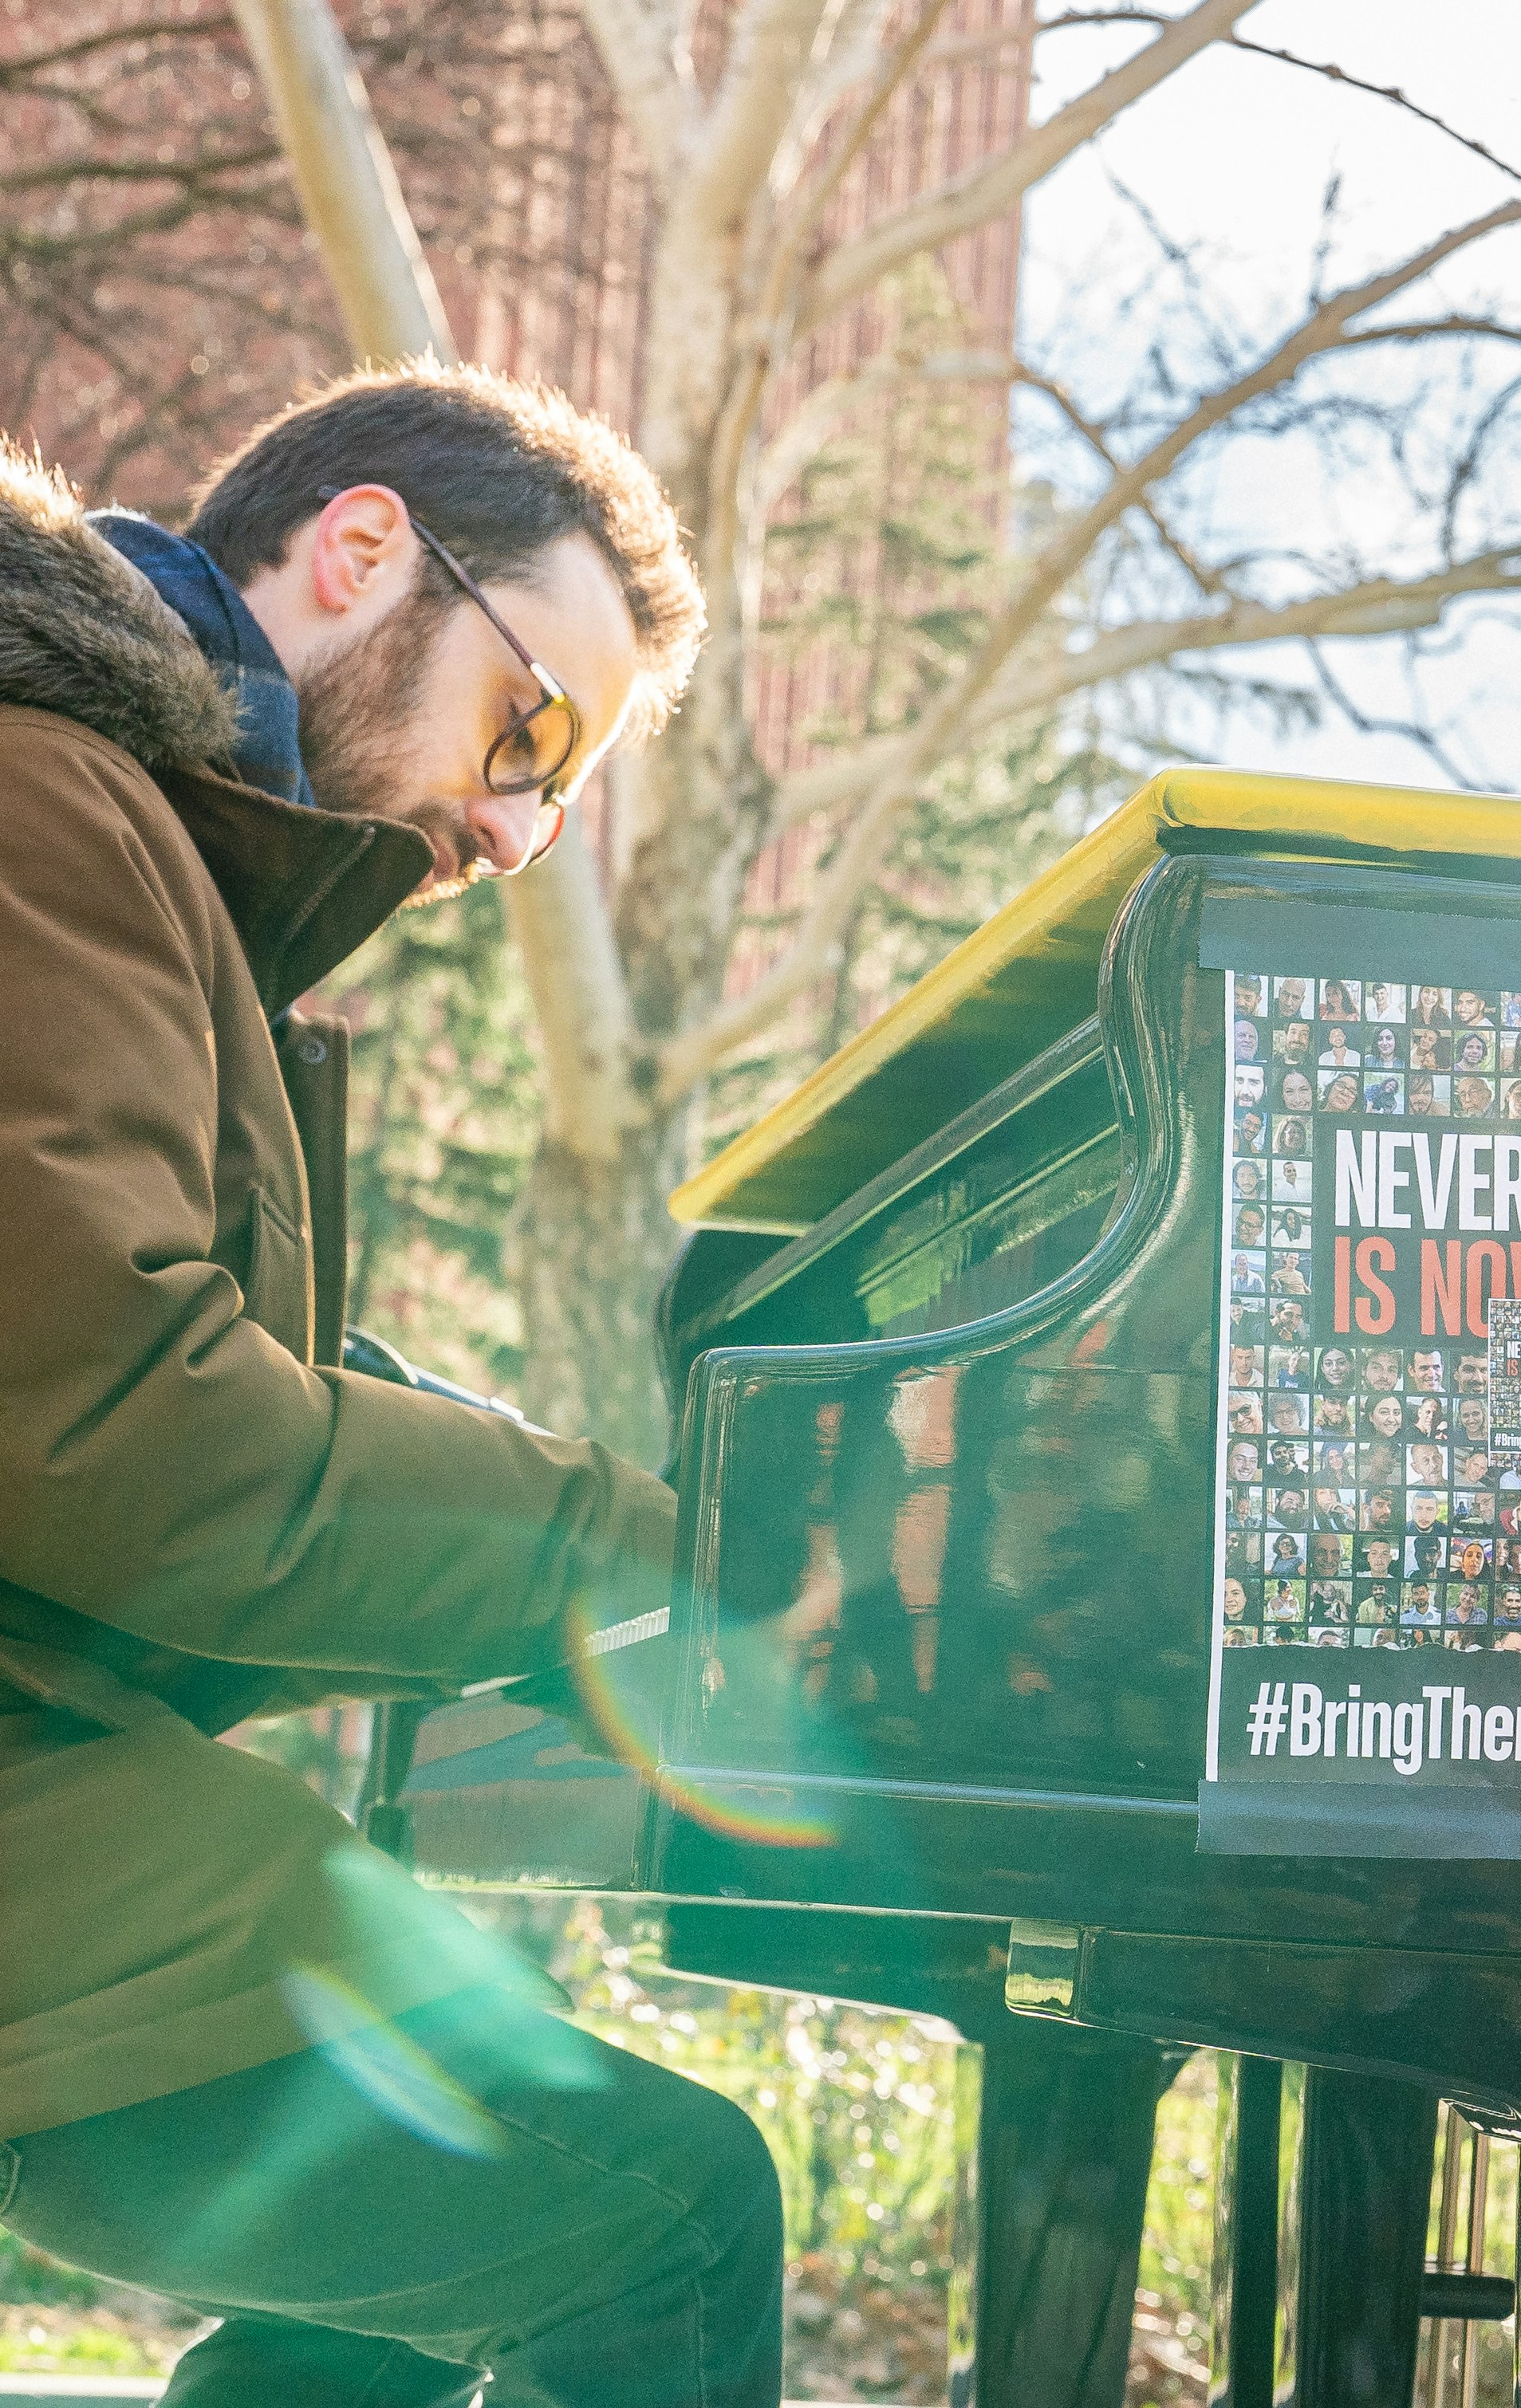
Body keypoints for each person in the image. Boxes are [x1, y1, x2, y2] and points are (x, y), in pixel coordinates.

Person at [0, 376, 796, 2405]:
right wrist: (660, 1555)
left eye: (561, 791)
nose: (517, 833)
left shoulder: (121, 832)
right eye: (530, 727)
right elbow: (137, 1438)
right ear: (356, 555)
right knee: (661, 2216)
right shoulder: (44, 798)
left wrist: (562, 1535)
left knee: (393, 2282)